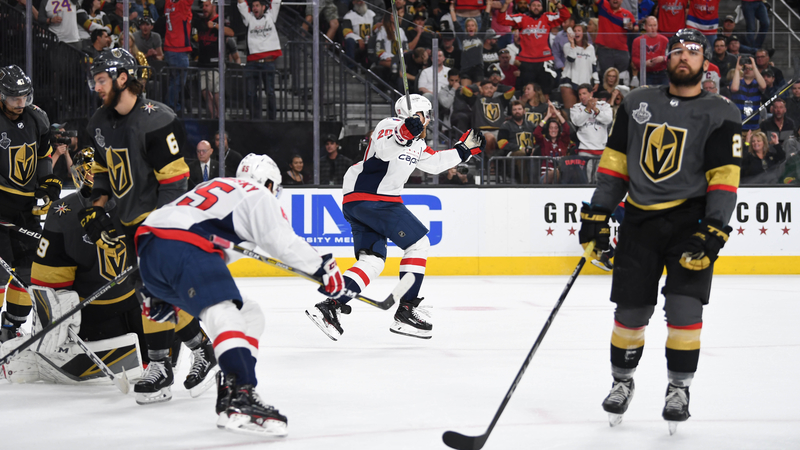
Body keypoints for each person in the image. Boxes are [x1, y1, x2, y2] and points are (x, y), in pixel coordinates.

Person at [578, 28, 742, 433]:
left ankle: (678, 389)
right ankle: (621, 383)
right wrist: (597, 216)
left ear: (705, 63)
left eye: (693, 51)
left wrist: (715, 229)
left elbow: (725, 179)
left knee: (685, 311)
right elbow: (614, 167)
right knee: (630, 314)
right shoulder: (636, 103)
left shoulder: (722, 113)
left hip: (692, 221)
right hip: (639, 221)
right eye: (677, 51)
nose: (683, 57)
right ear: (664, 59)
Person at [136, 154, 347, 435]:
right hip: (185, 247)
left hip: (149, 251)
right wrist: (324, 268)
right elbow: (283, 243)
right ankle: (242, 396)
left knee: (249, 313)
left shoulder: (216, 186)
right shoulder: (258, 194)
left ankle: (230, 390)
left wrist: (154, 288)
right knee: (224, 311)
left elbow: (191, 233)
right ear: (269, 183)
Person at [85, 49, 216, 405]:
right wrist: (98, 208)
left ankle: (161, 366)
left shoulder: (157, 119)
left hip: (162, 221)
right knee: (153, 293)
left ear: (122, 79)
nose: (95, 86)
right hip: (128, 219)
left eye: (101, 80)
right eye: (94, 80)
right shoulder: (98, 122)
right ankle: (200, 349)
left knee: (154, 291)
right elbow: (100, 169)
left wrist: (159, 228)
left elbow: (175, 181)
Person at [306, 94, 485, 341]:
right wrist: (402, 134)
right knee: (419, 243)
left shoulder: (418, 143)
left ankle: (330, 307)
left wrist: (463, 151)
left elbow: (434, 163)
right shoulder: (389, 125)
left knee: (372, 261)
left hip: (362, 202)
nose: (429, 120)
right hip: (374, 198)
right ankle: (406, 310)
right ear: (418, 115)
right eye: (427, 115)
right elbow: (384, 149)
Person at [1, 148, 147, 384]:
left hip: (134, 304)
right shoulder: (63, 213)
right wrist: (53, 324)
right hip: (93, 316)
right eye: (94, 173)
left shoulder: (135, 202)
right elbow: (46, 284)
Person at [0, 65, 60, 343]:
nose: (20, 103)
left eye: (24, 97)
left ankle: (10, 326)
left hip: (25, 210)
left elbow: (44, 154)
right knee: (0, 275)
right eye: (14, 98)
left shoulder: (38, 118)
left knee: (30, 270)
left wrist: (47, 183)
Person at [495, 0, 570, 96]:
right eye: (533, 5)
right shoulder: (521, 18)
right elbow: (501, 20)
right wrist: (506, 4)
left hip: (544, 61)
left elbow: (565, 15)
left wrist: (556, 3)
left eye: (538, 5)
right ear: (529, 7)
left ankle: (545, 110)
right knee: (526, 91)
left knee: (544, 91)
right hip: (527, 62)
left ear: (542, 8)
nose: (536, 7)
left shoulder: (547, 17)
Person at [239, 0, 282, 121]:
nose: (254, 8)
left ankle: (272, 119)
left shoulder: (271, 15)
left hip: (268, 62)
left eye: (257, 5)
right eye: (253, 6)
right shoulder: (249, 18)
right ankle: (255, 119)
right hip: (252, 63)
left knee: (270, 93)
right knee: (250, 93)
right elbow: (241, 2)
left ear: (264, 7)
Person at [570, 83, 613, 182]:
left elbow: (608, 120)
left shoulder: (604, 106)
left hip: (601, 150)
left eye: (584, 93)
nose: (582, 97)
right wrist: (588, 109)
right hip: (585, 150)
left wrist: (595, 109)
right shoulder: (576, 108)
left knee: (599, 181)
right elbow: (577, 122)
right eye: (580, 94)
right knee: (586, 182)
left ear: (591, 93)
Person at [593, 0, 635, 82]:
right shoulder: (603, 5)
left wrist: (632, 27)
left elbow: (636, 27)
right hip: (605, 51)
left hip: (622, 52)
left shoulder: (627, 14)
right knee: (605, 78)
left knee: (622, 79)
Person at [163, 0, 193, 113]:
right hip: (178, 49)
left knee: (173, 81)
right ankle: (172, 107)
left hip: (169, 48)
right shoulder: (182, 5)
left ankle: (171, 106)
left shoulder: (168, 4)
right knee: (178, 82)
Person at [497, 100, 536, 182]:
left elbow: (537, 140)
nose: (517, 111)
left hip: (530, 152)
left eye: (519, 109)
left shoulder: (531, 125)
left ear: (524, 111)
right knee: (521, 154)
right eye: (514, 109)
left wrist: (534, 149)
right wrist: (520, 148)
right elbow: (501, 143)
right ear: (511, 112)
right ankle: (525, 184)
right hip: (512, 153)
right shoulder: (506, 125)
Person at [561, 22, 598, 108]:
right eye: (575, 31)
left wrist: (596, 80)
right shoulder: (567, 46)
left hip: (584, 82)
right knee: (571, 111)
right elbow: (571, 59)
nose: (576, 32)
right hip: (569, 81)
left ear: (583, 33)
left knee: (583, 111)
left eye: (579, 30)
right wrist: (572, 44)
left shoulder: (590, 48)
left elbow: (593, 65)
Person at [533, 101, 570, 184]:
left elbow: (567, 129)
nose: (553, 130)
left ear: (558, 130)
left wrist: (557, 114)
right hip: (545, 177)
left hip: (561, 177)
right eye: (551, 128)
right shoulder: (544, 142)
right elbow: (536, 133)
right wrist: (547, 116)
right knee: (556, 172)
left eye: (556, 128)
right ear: (548, 130)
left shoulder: (563, 142)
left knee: (560, 173)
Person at [730, 54, 766, 133]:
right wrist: (737, 69)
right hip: (738, 126)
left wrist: (754, 66)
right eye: (745, 68)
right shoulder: (737, 82)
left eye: (750, 68)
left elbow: (763, 86)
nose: (748, 70)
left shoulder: (757, 84)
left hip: (754, 128)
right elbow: (734, 88)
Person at [632, 16, 670, 85]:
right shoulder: (637, 41)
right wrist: (645, 63)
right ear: (645, 26)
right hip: (646, 74)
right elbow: (634, 59)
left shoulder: (664, 40)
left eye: (655, 25)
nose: (653, 28)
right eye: (650, 26)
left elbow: (670, 57)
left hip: (662, 73)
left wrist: (663, 58)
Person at [342, 0, 378, 68]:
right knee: (349, 41)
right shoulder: (348, 16)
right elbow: (346, 32)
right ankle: (351, 66)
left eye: (362, 0)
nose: (360, 2)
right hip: (356, 43)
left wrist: (379, 27)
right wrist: (358, 39)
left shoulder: (371, 14)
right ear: (353, 2)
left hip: (370, 42)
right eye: (358, 1)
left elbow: (375, 28)